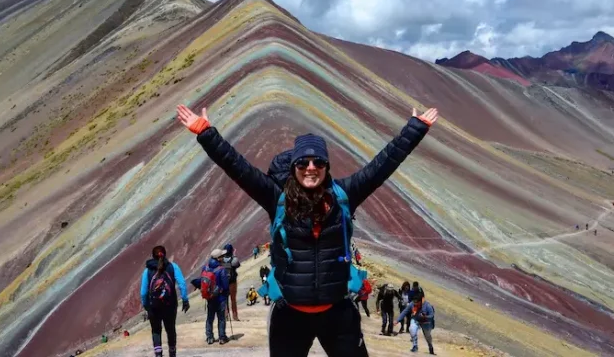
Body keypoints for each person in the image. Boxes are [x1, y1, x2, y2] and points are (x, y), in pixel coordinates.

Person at [176, 103, 438, 357]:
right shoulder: (276, 198)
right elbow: (236, 167)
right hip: (289, 316)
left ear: (326, 166)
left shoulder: (344, 195)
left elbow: (383, 165)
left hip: (338, 313)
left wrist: (414, 129)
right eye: (303, 163)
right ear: (294, 168)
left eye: (318, 162)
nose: (311, 168)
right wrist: (205, 133)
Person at [140, 245, 189, 357]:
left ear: (152, 256)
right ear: (165, 254)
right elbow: (182, 284)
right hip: (170, 305)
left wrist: (146, 306)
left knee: (156, 331)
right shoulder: (173, 267)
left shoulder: (147, 271)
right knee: (170, 330)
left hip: (154, 307)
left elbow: (143, 292)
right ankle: (172, 354)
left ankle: (158, 355)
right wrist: (185, 299)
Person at [200, 249, 230, 345]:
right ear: (218, 258)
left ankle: (209, 337)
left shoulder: (205, 267)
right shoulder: (221, 269)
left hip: (209, 298)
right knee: (221, 318)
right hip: (220, 298)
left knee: (210, 318)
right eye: (221, 256)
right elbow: (225, 286)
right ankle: (222, 337)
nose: (223, 257)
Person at [222, 243, 242, 321]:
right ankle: (235, 316)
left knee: (225, 299)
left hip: (224, 282)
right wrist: (234, 255)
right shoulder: (233, 259)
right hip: (232, 281)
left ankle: (226, 315)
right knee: (233, 299)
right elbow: (237, 265)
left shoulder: (222, 260)